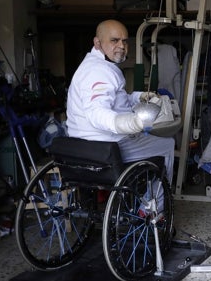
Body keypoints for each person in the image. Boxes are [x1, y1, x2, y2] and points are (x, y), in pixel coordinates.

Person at [66, 19, 175, 187]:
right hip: (105, 144)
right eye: (114, 40)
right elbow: (97, 112)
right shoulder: (98, 71)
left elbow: (116, 99)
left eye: (125, 41)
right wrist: (133, 123)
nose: (122, 46)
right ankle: (155, 207)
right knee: (167, 143)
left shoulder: (99, 66)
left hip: (85, 143)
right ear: (97, 43)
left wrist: (139, 97)